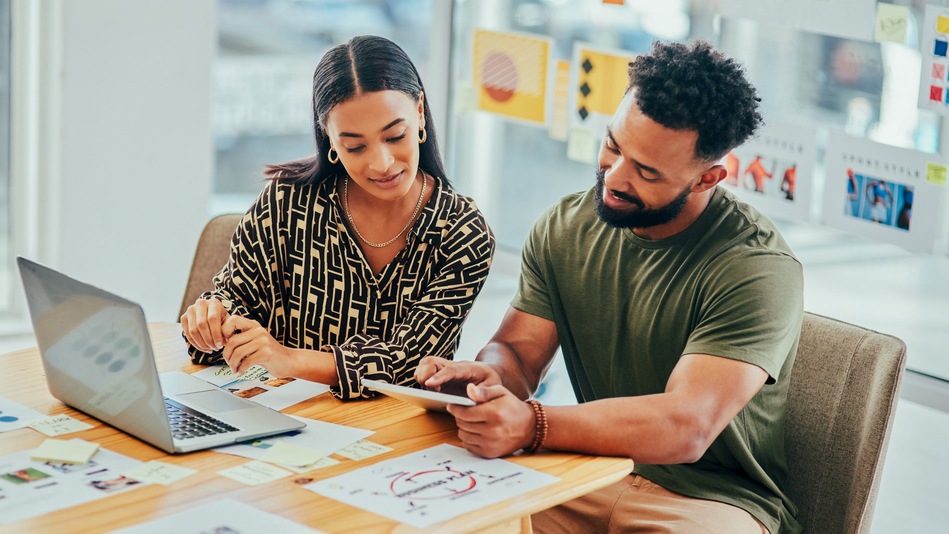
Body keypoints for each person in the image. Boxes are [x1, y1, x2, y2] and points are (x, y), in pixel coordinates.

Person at [417, 40, 803, 533]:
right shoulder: (565, 227)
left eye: (645, 171)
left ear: (707, 178)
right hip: (584, 469)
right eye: (614, 146)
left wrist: (533, 423)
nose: (613, 177)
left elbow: (686, 426)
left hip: (712, 501)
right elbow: (516, 352)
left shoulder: (756, 266)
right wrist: (486, 379)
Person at [181, 35, 495, 400]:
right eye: (355, 146)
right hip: (280, 416)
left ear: (420, 111)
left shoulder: (462, 232)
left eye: (395, 135)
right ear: (328, 138)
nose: (382, 163)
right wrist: (211, 322)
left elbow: (411, 365)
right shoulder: (286, 202)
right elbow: (236, 304)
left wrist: (286, 359)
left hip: (395, 437)